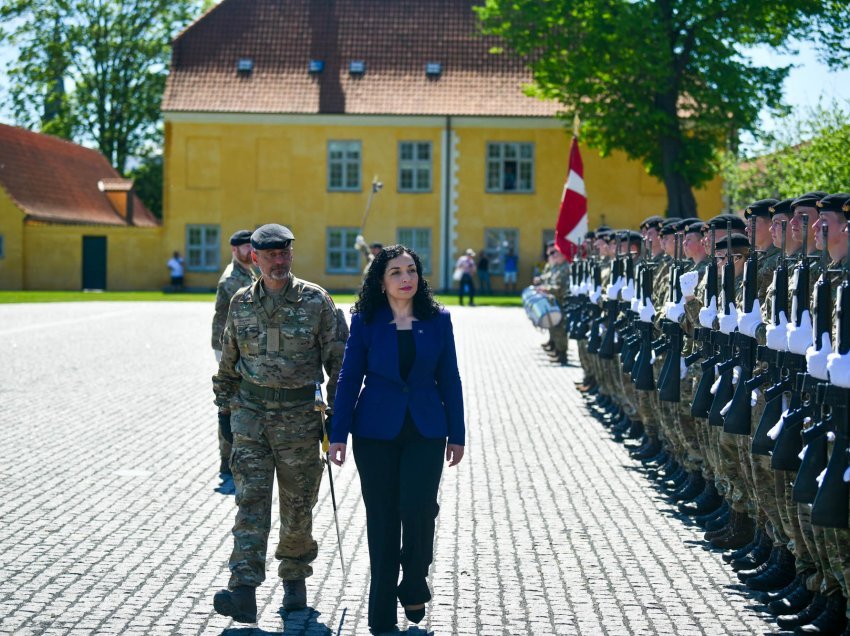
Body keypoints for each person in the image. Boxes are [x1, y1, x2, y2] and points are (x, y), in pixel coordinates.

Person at [328, 245, 465, 635]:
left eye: (411, 270)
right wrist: (337, 433)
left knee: (420, 508)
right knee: (384, 518)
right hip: (375, 433)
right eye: (396, 272)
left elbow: (450, 377)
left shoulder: (438, 319)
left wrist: (458, 433)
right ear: (381, 280)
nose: (406, 278)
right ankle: (381, 612)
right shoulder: (366, 320)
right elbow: (349, 377)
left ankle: (415, 580)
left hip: (426, 429)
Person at [211, 224, 346, 622]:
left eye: (285, 253)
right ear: (255, 257)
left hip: (300, 422)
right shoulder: (240, 302)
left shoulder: (316, 301)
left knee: (298, 505)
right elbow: (228, 363)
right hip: (251, 419)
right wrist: (224, 413)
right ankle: (244, 590)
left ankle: (294, 585)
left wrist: (337, 420)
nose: (280, 261)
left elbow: (339, 363)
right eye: (271, 255)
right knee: (250, 504)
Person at [210, 229, 257, 485]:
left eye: (253, 247)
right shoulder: (233, 279)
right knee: (229, 402)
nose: (251, 251)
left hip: (236, 344)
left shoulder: (247, 273)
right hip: (228, 346)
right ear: (234, 250)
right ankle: (227, 461)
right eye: (245, 247)